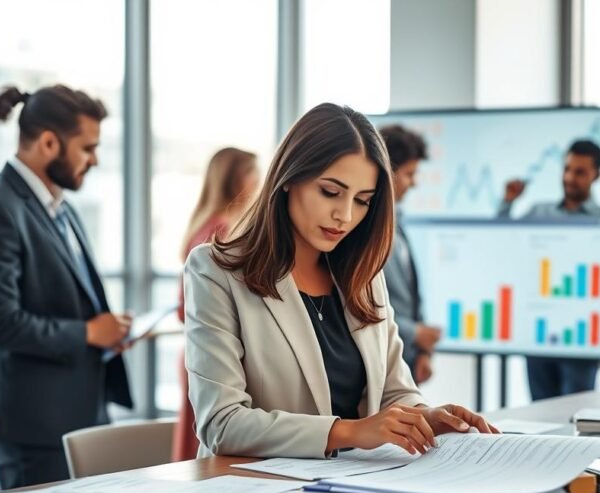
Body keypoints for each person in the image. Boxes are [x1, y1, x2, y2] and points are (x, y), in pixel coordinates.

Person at [184, 103, 498, 459]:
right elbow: (221, 423)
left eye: (362, 201)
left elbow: (395, 392)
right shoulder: (216, 272)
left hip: (355, 489)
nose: (345, 215)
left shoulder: (364, 276)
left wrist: (424, 418)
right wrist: (348, 430)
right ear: (289, 178)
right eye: (331, 192)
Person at [0, 85, 132, 489]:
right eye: (88, 148)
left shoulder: (60, 207)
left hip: (79, 412)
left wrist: (107, 332)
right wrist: (89, 332)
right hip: (33, 424)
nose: (95, 160)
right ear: (49, 142)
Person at [498, 140, 600, 399]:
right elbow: (503, 242)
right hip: (539, 337)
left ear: (596, 175)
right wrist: (507, 204)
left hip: (580, 341)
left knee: (573, 417)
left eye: (580, 172)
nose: (570, 177)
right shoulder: (538, 213)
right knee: (539, 413)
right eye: (567, 169)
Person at [172, 147, 260, 461]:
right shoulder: (223, 232)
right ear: (237, 179)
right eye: (254, 173)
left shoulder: (204, 224)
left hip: (197, 351)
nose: (259, 181)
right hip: (213, 354)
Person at [378, 124, 441, 384]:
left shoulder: (397, 221)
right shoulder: (369, 231)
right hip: (382, 359)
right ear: (387, 172)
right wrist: (414, 333)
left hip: (406, 357)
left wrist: (422, 350)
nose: (414, 183)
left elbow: (412, 293)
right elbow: (361, 303)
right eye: (409, 174)